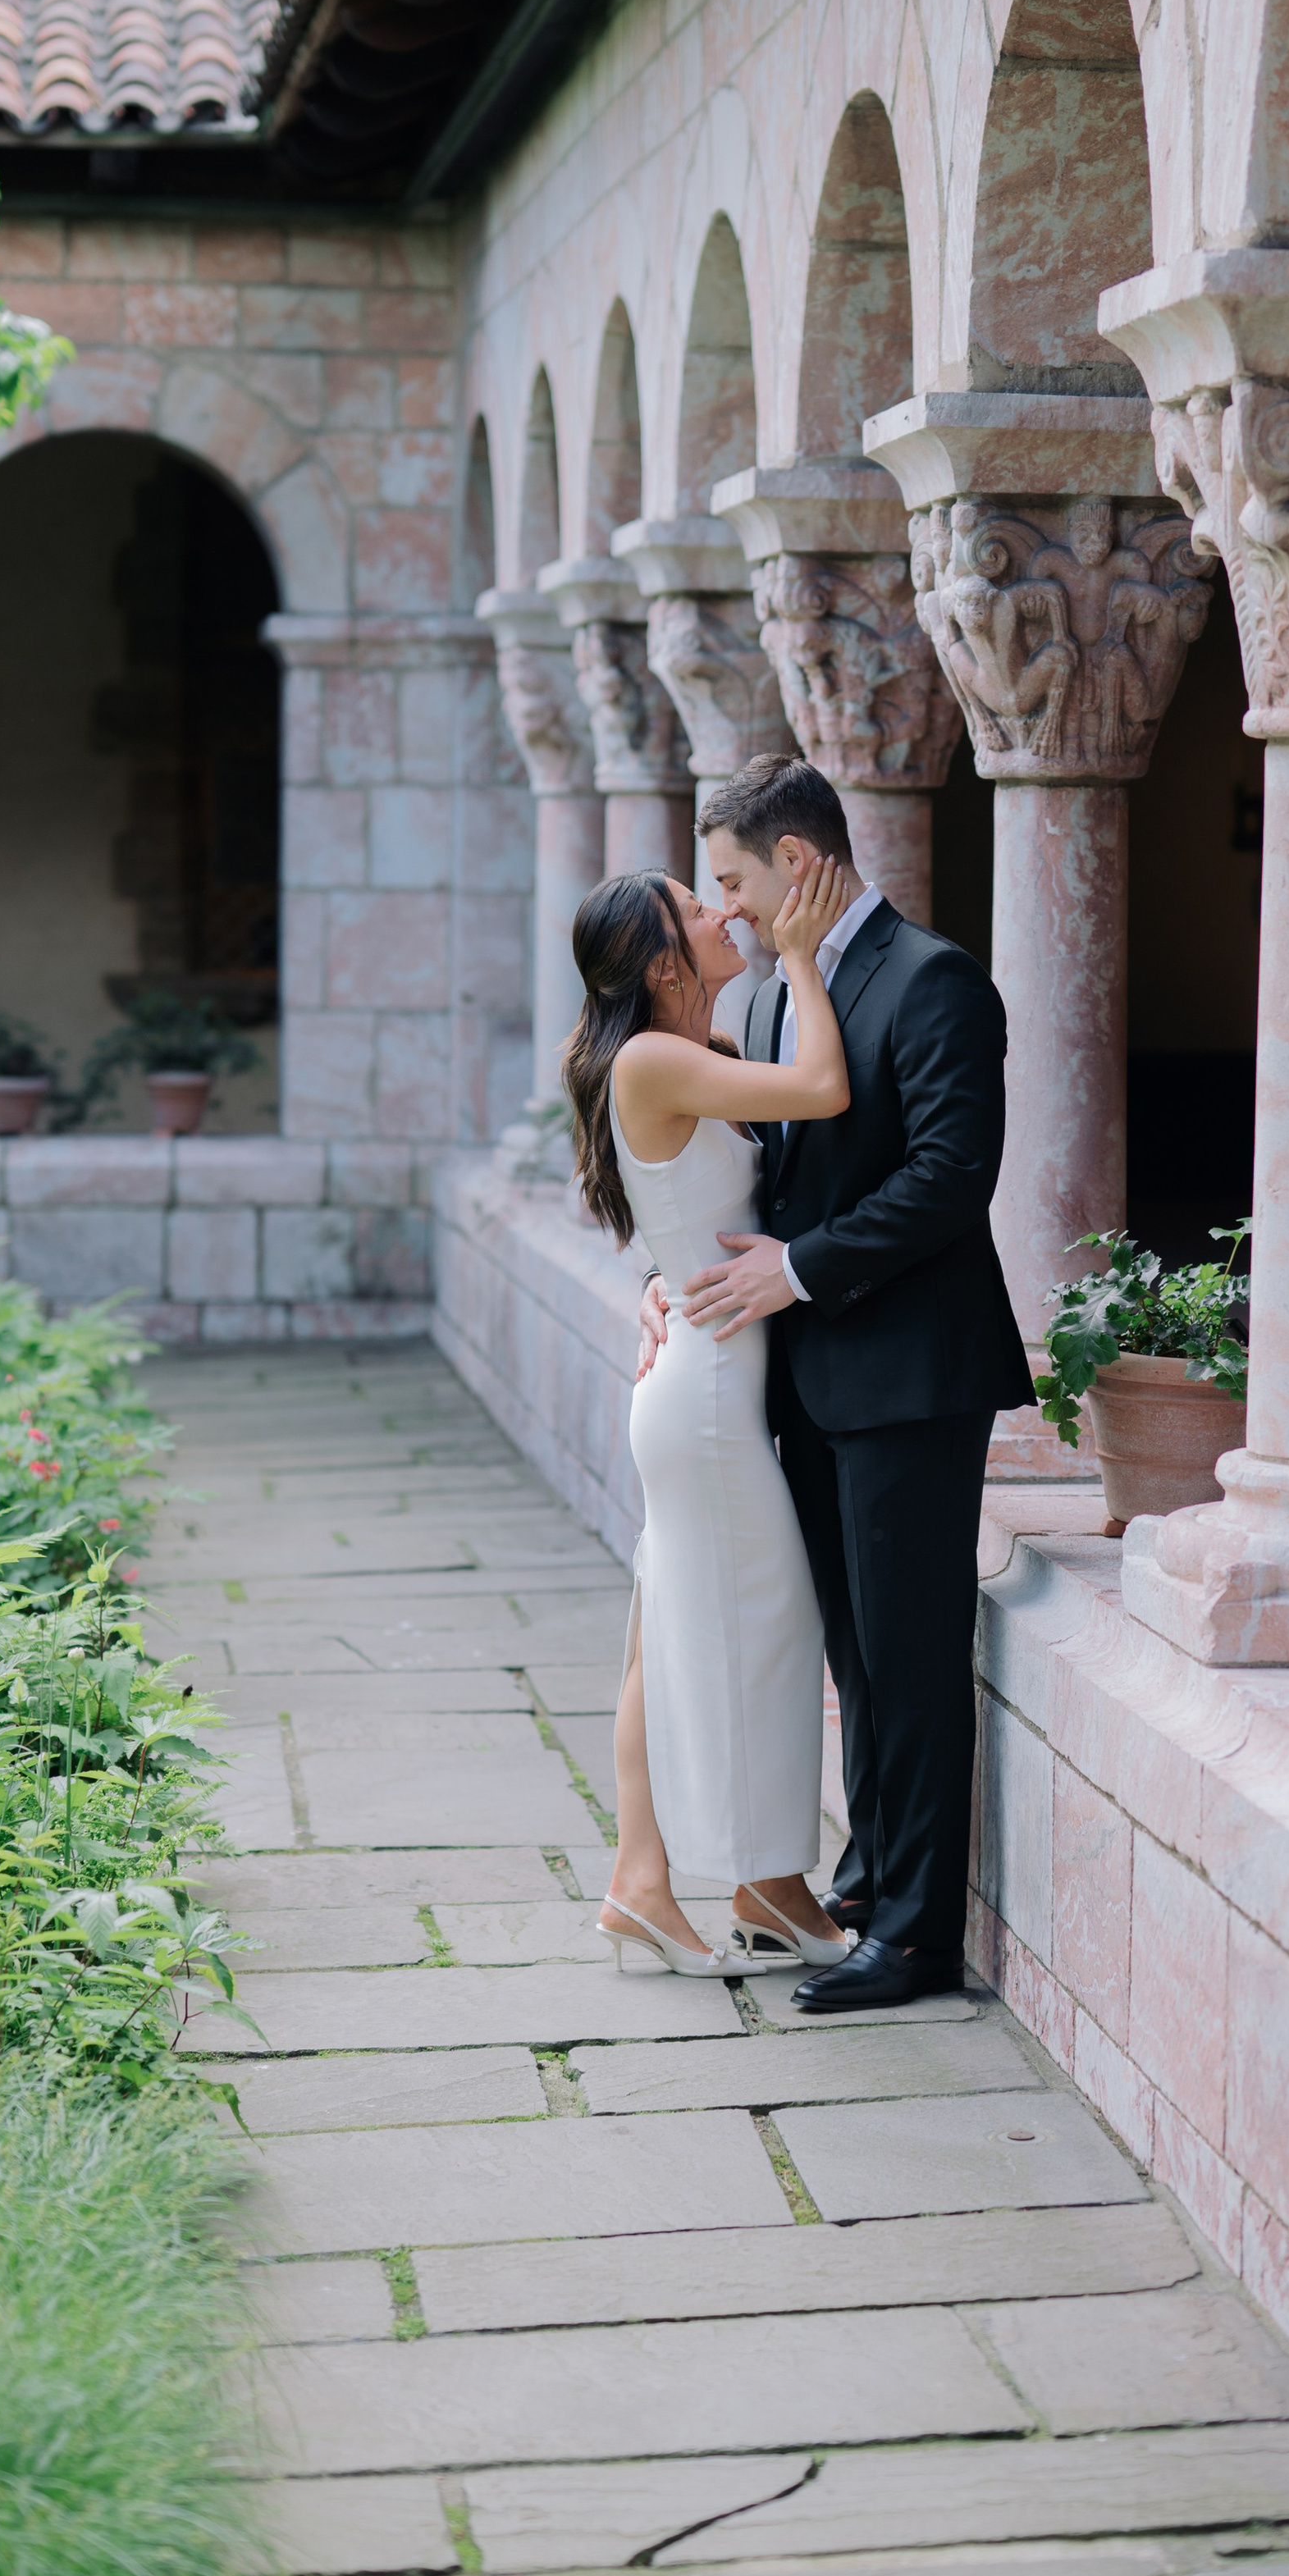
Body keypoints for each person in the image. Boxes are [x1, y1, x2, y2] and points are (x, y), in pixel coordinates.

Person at [640, 753, 1031, 2011]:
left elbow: (949, 1177)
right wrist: (675, 1281)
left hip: (912, 1372)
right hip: (803, 1380)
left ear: (798, 861)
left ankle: (915, 1938)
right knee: (856, 1651)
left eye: (736, 881)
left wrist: (800, 1270)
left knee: (912, 1657)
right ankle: (872, 1875)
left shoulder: (937, 979)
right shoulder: (761, 1003)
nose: (730, 909)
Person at [564, 855, 860, 1975]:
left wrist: (658, 1277)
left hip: (704, 1379)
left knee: (670, 1638)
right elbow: (825, 1088)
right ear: (660, 962)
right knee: (759, 1631)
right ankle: (766, 1881)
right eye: (697, 906)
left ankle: (658, 1883)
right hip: (705, 1401)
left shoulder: (693, 1056)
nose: (721, 905)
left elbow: (682, 1213)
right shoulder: (651, 1057)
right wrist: (799, 950)